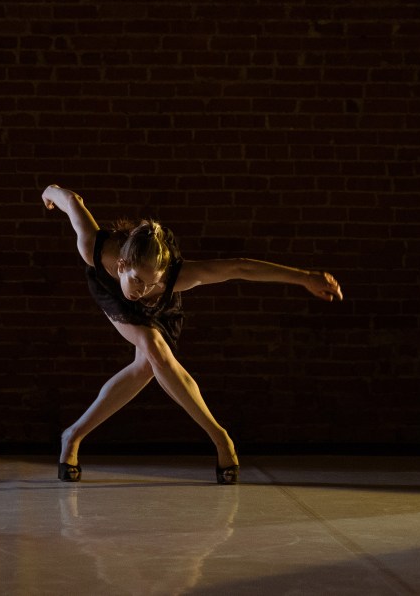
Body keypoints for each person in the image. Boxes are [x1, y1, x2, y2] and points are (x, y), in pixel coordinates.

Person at [41, 184, 344, 484]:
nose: (143, 291)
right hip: (114, 296)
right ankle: (221, 438)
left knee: (147, 365)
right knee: (153, 347)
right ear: (122, 265)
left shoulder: (176, 277)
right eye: (137, 281)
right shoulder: (93, 247)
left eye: (151, 283)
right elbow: (72, 199)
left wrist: (305, 278)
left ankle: (73, 435)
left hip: (163, 310)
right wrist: (50, 192)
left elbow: (241, 268)